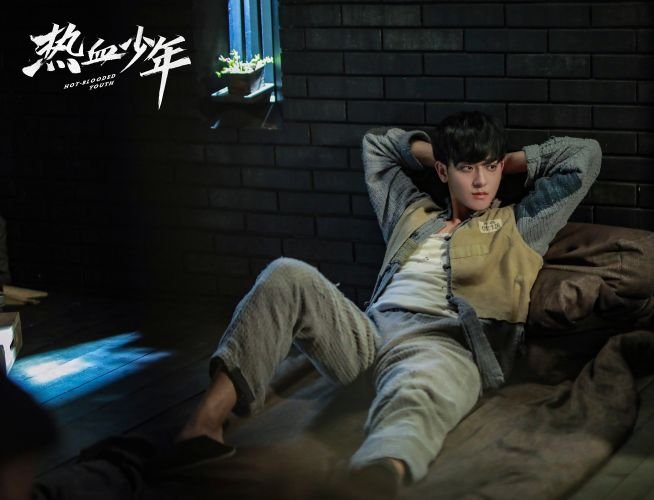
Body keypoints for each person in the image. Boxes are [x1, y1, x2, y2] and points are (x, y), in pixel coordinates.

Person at [171, 111, 601, 497]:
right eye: (467, 168)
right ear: (442, 171)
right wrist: (444, 152)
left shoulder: (520, 222)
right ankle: (201, 429)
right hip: (368, 337)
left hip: (444, 344)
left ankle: (375, 477)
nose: (480, 182)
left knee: (421, 388)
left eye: (489, 168)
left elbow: (585, 156)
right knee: (285, 273)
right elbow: (376, 146)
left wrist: (507, 161)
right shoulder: (411, 214)